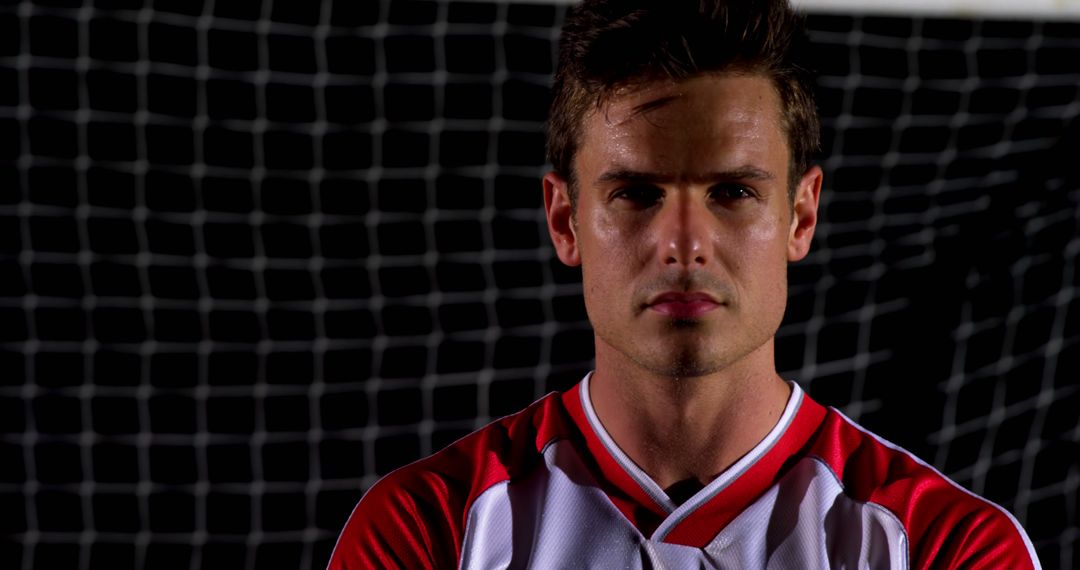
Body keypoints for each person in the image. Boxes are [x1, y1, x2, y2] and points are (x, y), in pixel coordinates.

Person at [328, 0, 1040, 567]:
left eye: (731, 192)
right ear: (566, 220)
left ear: (801, 215)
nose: (684, 244)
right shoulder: (429, 533)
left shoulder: (948, 547)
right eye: (636, 194)